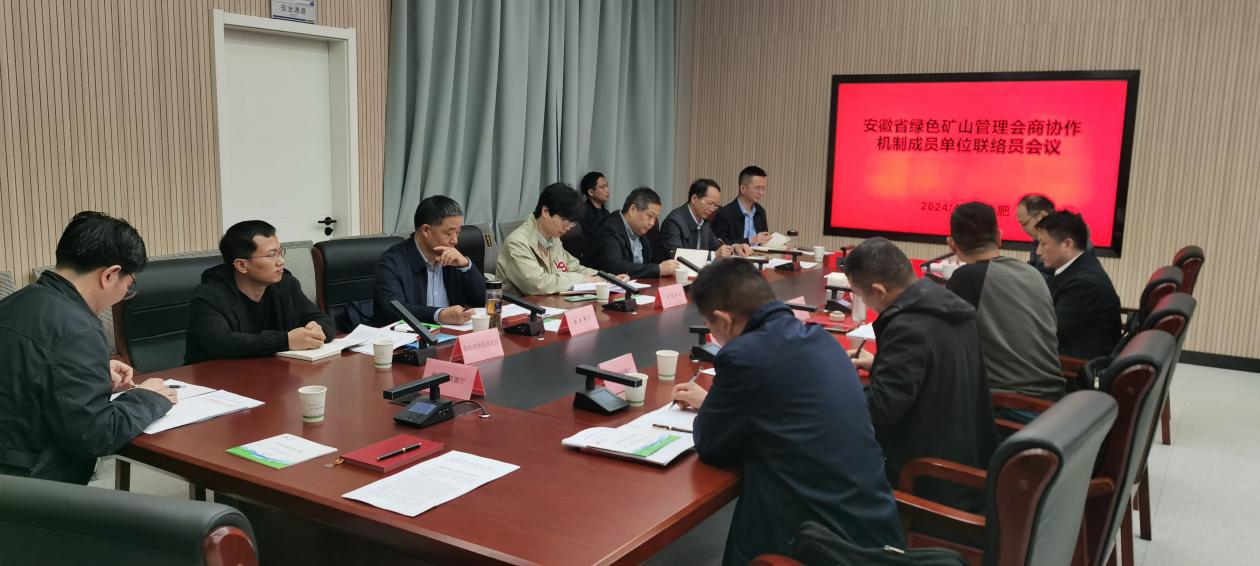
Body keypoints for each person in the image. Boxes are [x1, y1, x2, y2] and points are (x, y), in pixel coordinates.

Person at [671, 259, 903, 565]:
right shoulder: (822, 339)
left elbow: (712, 445)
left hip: (820, 546)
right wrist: (716, 403)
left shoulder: (742, 356)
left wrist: (716, 407)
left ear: (723, 321)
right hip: (876, 531)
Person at [0, 212, 175, 484]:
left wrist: (91, 372)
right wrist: (149, 398)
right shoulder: (77, 329)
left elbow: (24, 376)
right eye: (128, 286)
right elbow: (95, 435)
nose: (124, 295)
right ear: (110, 275)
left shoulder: (15, 303)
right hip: (32, 487)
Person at [845, 238, 997, 511]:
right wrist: (881, 364)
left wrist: (832, 389)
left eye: (862, 296)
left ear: (879, 291)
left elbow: (879, 411)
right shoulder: (949, 305)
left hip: (929, 478)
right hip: (967, 455)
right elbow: (933, 373)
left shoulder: (907, 328)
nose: (865, 303)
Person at [945, 203, 1064, 418]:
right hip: (1053, 399)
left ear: (952, 244)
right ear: (999, 237)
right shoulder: (1031, 273)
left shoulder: (966, 278)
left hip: (1012, 406)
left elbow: (943, 345)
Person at [185, 220, 335, 364]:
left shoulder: (286, 285)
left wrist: (317, 330)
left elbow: (323, 319)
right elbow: (221, 343)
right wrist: (286, 341)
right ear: (241, 265)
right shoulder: (209, 296)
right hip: (216, 376)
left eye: (280, 252)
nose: (281, 261)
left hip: (272, 372)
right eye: (271, 255)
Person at [372, 196, 486, 327]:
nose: (455, 240)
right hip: (410, 335)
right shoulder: (391, 262)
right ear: (426, 230)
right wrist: (440, 315)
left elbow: (485, 301)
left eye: (458, 233)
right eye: (449, 233)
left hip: (453, 333)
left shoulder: (453, 257)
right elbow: (394, 311)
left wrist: (465, 266)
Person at [496, 183, 627, 296]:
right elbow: (538, 284)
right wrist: (583, 280)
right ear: (546, 211)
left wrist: (607, 278)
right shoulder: (517, 243)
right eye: (565, 221)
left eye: (572, 224)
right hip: (521, 311)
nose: (568, 228)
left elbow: (573, 267)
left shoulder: (553, 239)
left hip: (551, 305)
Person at [1036, 211, 1122, 361]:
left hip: (1076, 364)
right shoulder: (1075, 268)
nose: (1038, 251)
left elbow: (1048, 329)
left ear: (1067, 244)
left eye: (1043, 244)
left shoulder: (1085, 283)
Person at [586, 187, 680, 278]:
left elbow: (646, 265)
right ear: (632, 210)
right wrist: (658, 269)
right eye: (650, 216)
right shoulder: (607, 228)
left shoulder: (640, 232)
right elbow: (615, 267)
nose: (652, 223)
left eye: (655, 218)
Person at [659, 178, 751, 258]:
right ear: (694, 199)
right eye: (710, 203)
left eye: (716, 205)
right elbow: (678, 256)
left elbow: (716, 246)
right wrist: (713, 255)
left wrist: (734, 248)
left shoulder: (703, 222)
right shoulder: (674, 222)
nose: (713, 209)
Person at [711, 165, 771, 246]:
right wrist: (750, 240)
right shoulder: (724, 214)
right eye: (757, 188)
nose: (761, 193)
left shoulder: (760, 211)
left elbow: (764, 241)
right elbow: (721, 244)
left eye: (763, 188)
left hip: (758, 254)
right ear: (743, 188)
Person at [1016, 194, 1057, 280]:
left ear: (1042, 217)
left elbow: (1045, 277)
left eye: (1024, 224)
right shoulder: (1037, 241)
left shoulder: (1060, 240)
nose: (1023, 230)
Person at [577, 171, 612, 237]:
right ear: (591, 192)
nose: (607, 190)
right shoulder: (582, 212)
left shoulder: (607, 213)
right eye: (602, 187)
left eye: (607, 186)